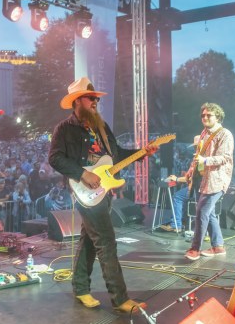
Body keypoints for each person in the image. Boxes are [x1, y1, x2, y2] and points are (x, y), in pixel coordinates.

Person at [49, 77, 158, 313]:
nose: (96, 101)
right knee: (106, 241)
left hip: (104, 191)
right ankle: (120, 299)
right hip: (85, 191)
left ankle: (80, 289)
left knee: (89, 240)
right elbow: (55, 158)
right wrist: (82, 174)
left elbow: (116, 155)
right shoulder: (64, 129)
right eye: (91, 98)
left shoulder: (102, 126)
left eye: (96, 98)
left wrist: (142, 152)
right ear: (77, 101)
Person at [184, 103, 234, 260]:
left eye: (209, 115)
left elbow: (225, 157)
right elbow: (198, 155)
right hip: (202, 178)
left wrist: (205, 160)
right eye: (203, 115)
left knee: (201, 212)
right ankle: (218, 246)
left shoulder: (225, 134)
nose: (204, 117)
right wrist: (191, 170)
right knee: (209, 213)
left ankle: (195, 249)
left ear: (217, 117)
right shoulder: (204, 133)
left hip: (216, 180)